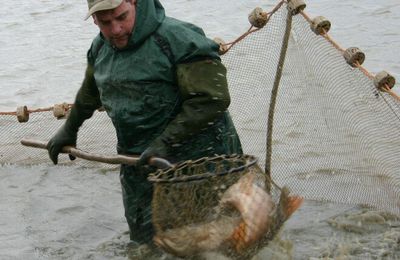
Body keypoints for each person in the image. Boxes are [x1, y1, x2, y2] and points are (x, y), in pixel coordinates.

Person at [47, 0, 242, 245]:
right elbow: (90, 93)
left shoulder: (179, 39)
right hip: (138, 165)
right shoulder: (100, 48)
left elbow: (211, 99)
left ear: (134, 2)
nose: (116, 29)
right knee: (147, 244)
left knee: (215, 243)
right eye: (105, 23)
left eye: (121, 17)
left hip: (199, 163)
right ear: (94, 20)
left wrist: (165, 142)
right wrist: (69, 128)